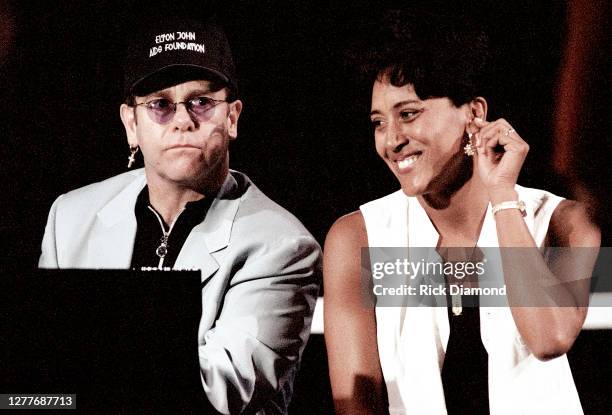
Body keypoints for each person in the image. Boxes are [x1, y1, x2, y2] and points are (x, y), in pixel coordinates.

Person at [39, 16, 321, 414]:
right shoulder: (69, 219)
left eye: (202, 102)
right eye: (160, 105)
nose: (183, 120)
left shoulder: (283, 246)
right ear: (131, 125)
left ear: (233, 117)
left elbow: (219, 395)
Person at [323, 9, 600, 415]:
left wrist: (503, 196)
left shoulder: (565, 221)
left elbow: (548, 339)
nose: (391, 140)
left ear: (474, 114)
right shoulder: (356, 238)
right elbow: (356, 404)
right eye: (379, 122)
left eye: (409, 113)